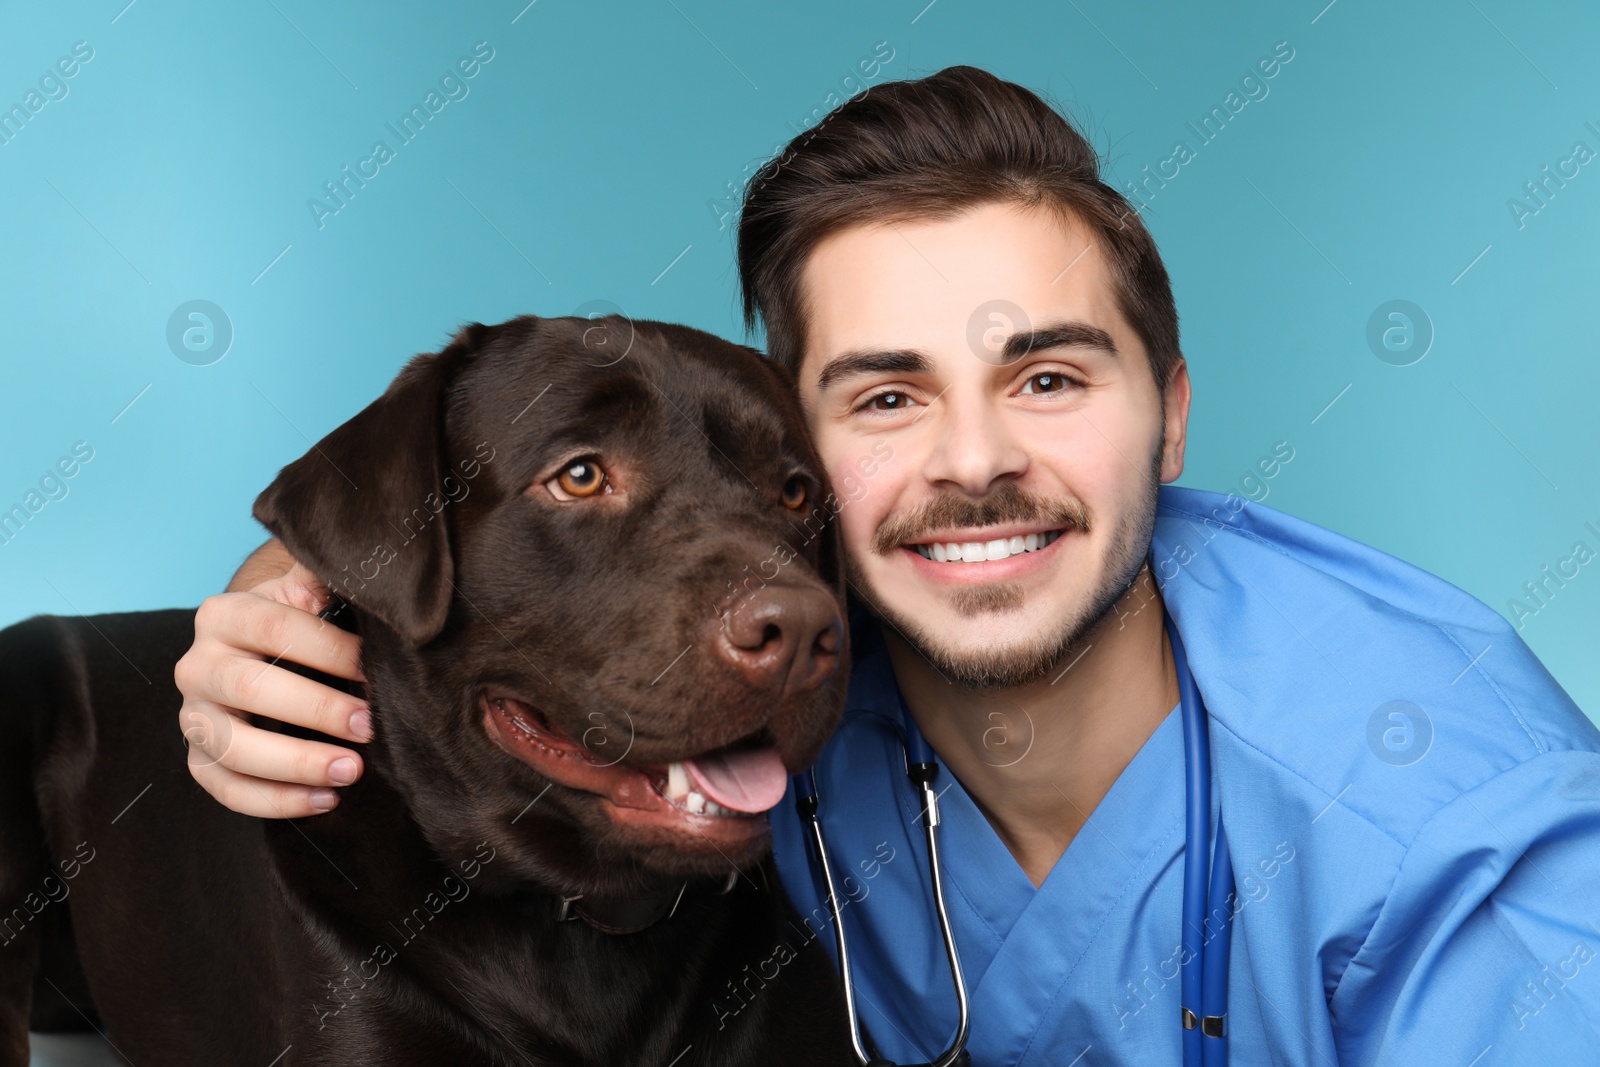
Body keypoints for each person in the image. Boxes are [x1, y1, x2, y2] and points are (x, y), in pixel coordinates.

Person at [174, 66, 1600, 1064]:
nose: (971, 463)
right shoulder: (788, 659)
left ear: (1169, 417)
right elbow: (555, 482)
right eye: (884, 397)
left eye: (1047, 378)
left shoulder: (1468, 857)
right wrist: (288, 591)